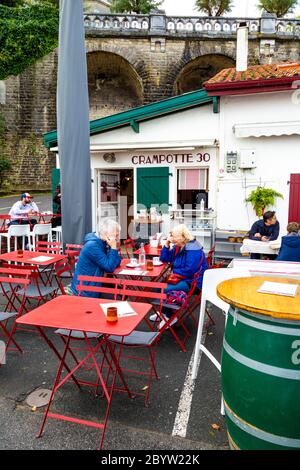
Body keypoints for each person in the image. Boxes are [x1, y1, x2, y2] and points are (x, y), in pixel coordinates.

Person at [150, 224, 208, 328]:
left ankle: (170, 317)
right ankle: (163, 313)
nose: (172, 239)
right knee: (159, 288)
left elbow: (190, 270)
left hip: (193, 283)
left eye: (174, 236)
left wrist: (173, 273)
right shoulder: (179, 246)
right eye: (171, 236)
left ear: (183, 237)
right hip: (183, 279)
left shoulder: (193, 249)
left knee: (164, 289)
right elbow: (164, 258)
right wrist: (167, 244)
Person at [70, 218, 121, 298]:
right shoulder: (92, 246)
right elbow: (110, 267)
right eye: (116, 235)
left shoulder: (102, 242)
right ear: (106, 234)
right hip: (85, 289)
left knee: (120, 292)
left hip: (94, 282)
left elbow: (117, 261)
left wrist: (112, 249)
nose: (117, 238)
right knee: (118, 296)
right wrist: (113, 247)